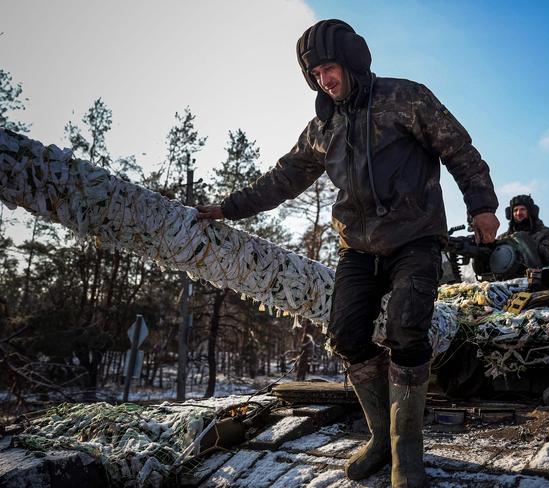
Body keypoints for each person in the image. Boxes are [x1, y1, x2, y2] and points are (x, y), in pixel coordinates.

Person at [196, 19, 499, 488]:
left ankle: (407, 455)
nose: (324, 80)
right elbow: (282, 179)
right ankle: (381, 437)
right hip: (357, 248)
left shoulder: (407, 98)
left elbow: (459, 150)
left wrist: (481, 207)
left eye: (329, 68)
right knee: (346, 333)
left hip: (415, 238)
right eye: (315, 74)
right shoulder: (323, 128)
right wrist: (227, 207)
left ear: (352, 61)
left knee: (405, 326)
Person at [498, 194, 549, 266]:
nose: (518, 213)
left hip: (537, 274)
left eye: (522, 209)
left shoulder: (546, 233)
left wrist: (526, 241)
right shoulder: (502, 238)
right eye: (515, 210)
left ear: (531, 212)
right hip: (508, 276)